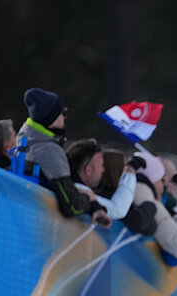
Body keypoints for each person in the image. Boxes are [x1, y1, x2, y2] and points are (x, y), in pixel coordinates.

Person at [16, 88, 111, 227]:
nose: (65, 117)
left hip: (22, 221)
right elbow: (71, 205)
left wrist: (94, 205)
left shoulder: (25, 142)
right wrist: (89, 200)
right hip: (40, 230)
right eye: (63, 113)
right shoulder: (49, 151)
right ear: (52, 120)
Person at [128, 151, 177, 263]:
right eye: (162, 179)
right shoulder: (145, 198)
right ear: (152, 180)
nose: (164, 184)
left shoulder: (134, 192)